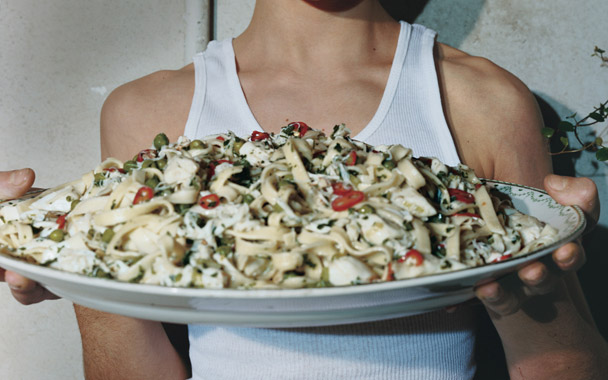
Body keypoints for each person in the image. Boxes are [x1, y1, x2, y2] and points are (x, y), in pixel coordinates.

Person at [2, 1, 607, 379]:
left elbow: (559, 364)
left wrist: (532, 285)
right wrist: (70, 255)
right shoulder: (147, 110)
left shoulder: (482, 101)